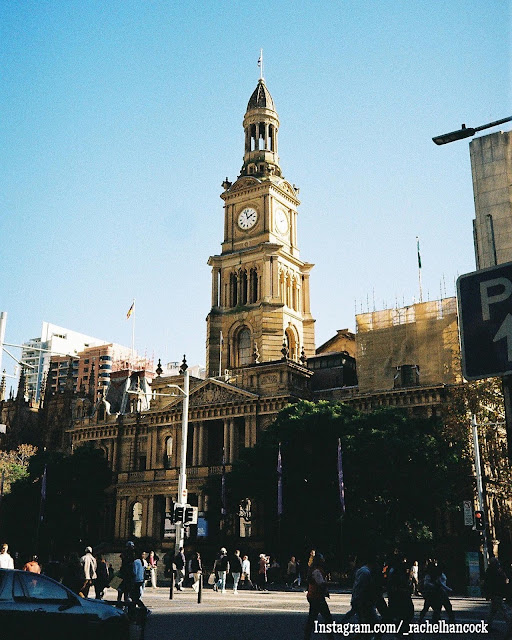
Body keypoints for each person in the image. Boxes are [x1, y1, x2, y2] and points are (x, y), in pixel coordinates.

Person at [304, 554, 334, 640]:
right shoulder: (317, 571)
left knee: (312, 618)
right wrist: (330, 585)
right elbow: (321, 584)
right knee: (327, 618)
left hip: (314, 596)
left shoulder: (314, 569)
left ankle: (307, 636)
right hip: (317, 597)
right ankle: (330, 637)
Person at [485, 556, 511, 632]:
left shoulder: (490, 571)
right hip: (498, 593)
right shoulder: (499, 570)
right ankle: (510, 625)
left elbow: (487, 583)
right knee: (502, 611)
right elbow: (504, 581)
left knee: (493, 611)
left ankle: (488, 625)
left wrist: (488, 594)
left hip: (494, 593)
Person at [131, 549, 150, 617]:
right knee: (136, 594)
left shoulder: (136, 562)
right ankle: (134, 608)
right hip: (140, 579)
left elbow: (134, 572)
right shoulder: (142, 562)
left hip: (136, 580)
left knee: (134, 596)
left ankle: (143, 608)